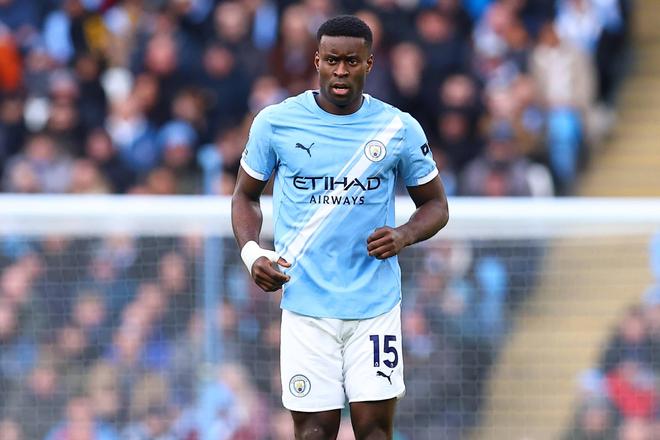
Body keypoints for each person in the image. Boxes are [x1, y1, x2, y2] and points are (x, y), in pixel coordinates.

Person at [231, 15, 449, 440]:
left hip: (375, 305)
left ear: (370, 63)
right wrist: (253, 253)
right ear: (317, 60)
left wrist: (404, 234)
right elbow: (244, 196)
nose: (341, 71)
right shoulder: (276, 123)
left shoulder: (398, 128)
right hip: (305, 304)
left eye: (352, 61)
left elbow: (436, 204)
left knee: (374, 431)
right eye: (332, 60)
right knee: (314, 431)